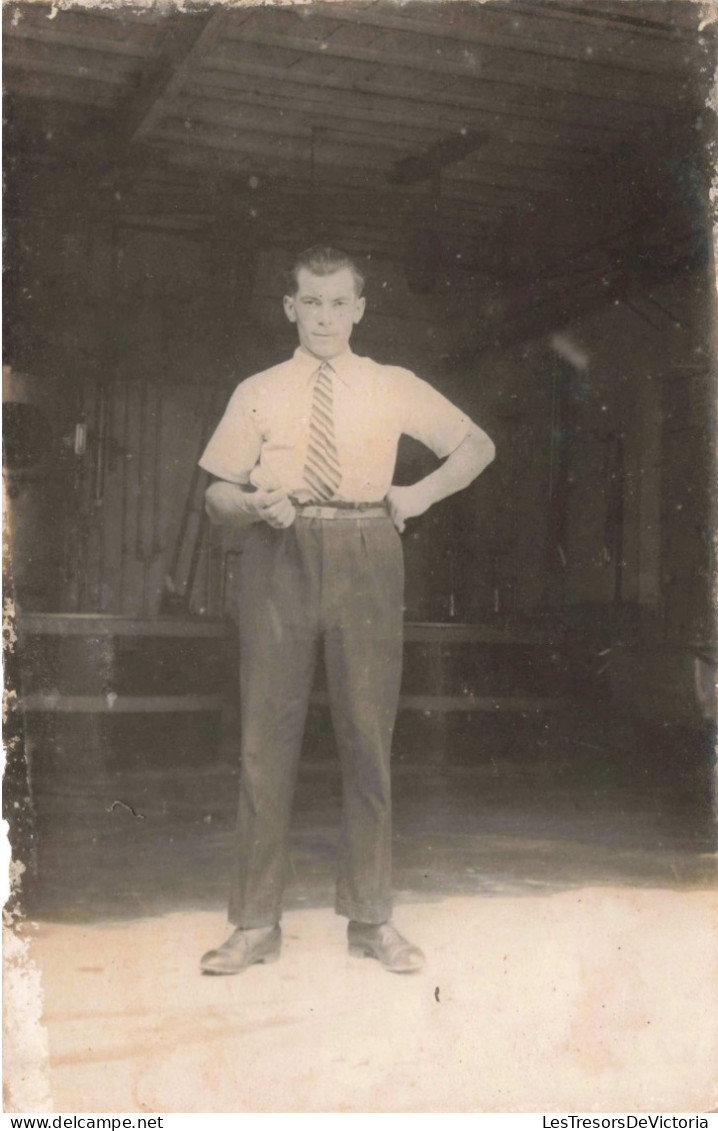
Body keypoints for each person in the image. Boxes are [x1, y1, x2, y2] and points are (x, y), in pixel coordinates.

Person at [198, 246, 495, 975]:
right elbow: (216, 496)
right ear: (289, 307)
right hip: (281, 552)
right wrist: (252, 501)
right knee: (265, 742)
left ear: (359, 309)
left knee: (368, 735)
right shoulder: (259, 390)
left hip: (368, 549)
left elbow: (476, 445)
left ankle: (371, 919)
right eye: (312, 301)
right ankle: (255, 925)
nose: (326, 317)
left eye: (339, 303)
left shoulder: (394, 385)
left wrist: (416, 497)